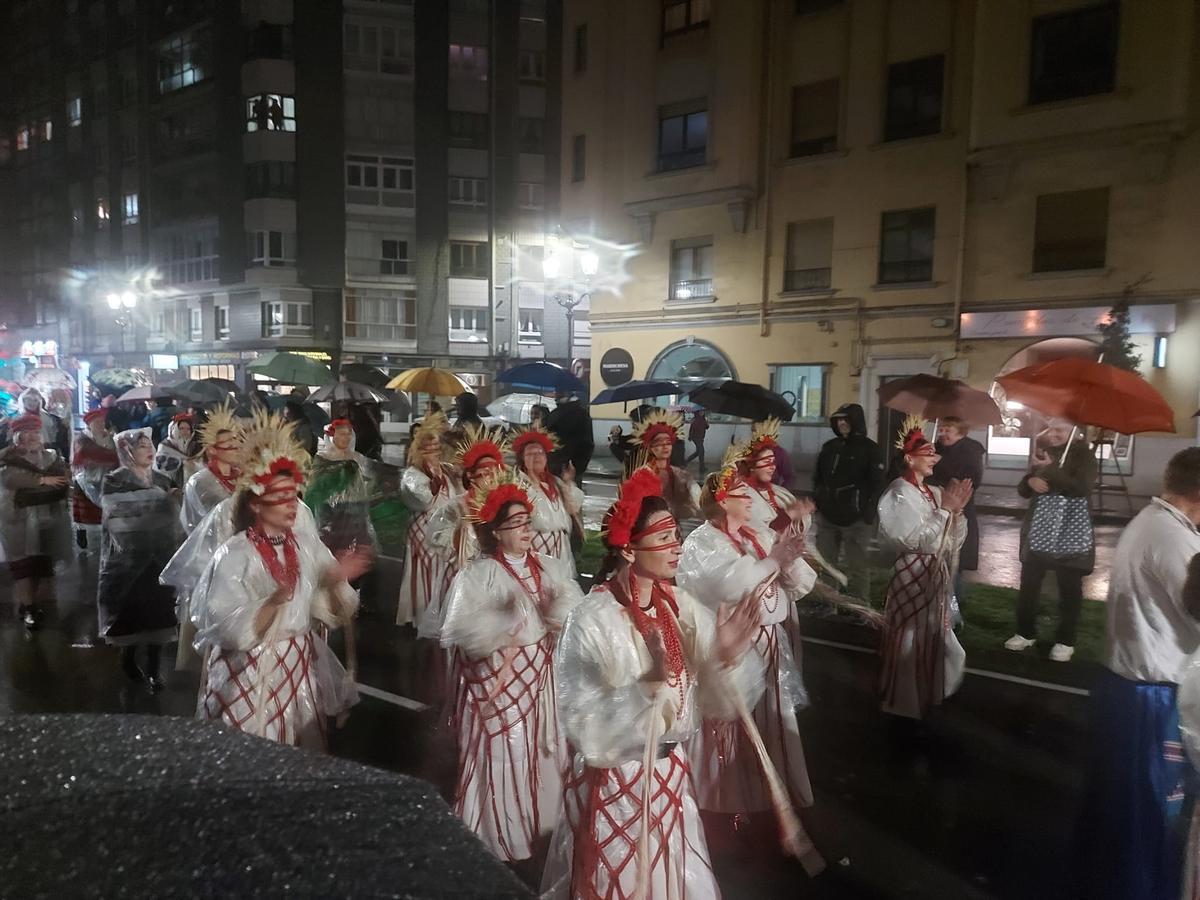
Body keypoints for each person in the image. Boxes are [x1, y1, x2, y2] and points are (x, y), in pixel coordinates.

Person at [541, 467, 780, 899]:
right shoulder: (592, 619)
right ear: (630, 550)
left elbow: (715, 696)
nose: (677, 547)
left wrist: (725, 658)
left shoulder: (678, 605)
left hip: (670, 777)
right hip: (616, 784)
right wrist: (645, 687)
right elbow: (581, 721)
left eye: (676, 534)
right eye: (665, 537)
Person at [190, 412, 368, 747]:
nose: (292, 507)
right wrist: (270, 604)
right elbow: (220, 614)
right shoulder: (234, 548)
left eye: (293, 496)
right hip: (248, 668)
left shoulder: (301, 538)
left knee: (296, 747)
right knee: (252, 747)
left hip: (295, 665)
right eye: (281, 498)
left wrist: (333, 583)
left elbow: (325, 588)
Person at [439, 471, 584, 863]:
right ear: (496, 531)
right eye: (516, 523)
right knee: (507, 754)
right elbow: (461, 634)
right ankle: (498, 836)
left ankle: (543, 828)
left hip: (544, 680)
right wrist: (504, 621)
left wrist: (556, 614)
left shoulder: (550, 567)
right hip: (499, 685)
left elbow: (575, 613)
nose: (526, 529)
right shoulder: (478, 574)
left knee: (547, 751)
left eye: (527, 521)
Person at [1077, 448, 1200, 900]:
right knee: (1152, 816)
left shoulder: (1154, 523)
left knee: (1124, 812)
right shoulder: (1175, 540)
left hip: (1129, 688)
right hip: (1154, 695)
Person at [678, 452, 819, 836]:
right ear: (723, 501)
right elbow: (732, 584)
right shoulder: (702, 542)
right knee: (732, 725)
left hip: (771, 642)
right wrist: (774, 562)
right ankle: (728, 802)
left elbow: (799, 579)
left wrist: (787, 565)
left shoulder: (757, 534)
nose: (749, 500)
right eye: (741, 493)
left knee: (772, 717)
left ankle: (772, 795)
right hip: (734, 647)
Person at [876, 416, 972, 719]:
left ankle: (930, 690)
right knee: (910, 637)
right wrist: (945, 512)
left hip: (934, 573)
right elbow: (912, 540)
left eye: (934, 453)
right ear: (909, 458)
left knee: (936, 635)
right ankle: (904, 702)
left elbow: (948, 541)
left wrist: (957, 514)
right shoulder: (898, 492)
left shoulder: (931, 491)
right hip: (912, 574)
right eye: (928, 453)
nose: (934, 458)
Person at [1004, 419, 1097, 662]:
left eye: (1060, 430)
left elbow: (1082, 488)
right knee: (1029, 584)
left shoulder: (1085, 456)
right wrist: (1030, 481)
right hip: (1039, 529)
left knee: (1069, 588)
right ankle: (1025, 632)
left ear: (1076, 433)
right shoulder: (1044, 451)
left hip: (1070, 530)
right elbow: (1025, 488)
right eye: (1052, 428)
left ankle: (1065, 640)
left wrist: (1051, 469)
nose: (1053, 434)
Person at [97, 428, 181, 692]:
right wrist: (162, 504)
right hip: (127, 562)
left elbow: (172, 518)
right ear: (126, 451)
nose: (149, 449)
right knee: (132, 613)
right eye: (141, 445)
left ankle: (155, 669)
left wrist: (173, 504)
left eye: (150, 444)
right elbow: (119, 517)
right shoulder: (114, 480)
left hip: (160, 557)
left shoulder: (162, 479)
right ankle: (128, 657)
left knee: (160, 614)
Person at [418, 423, 508, 642]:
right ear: (472, 477)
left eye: (495, 472)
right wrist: (461, 532)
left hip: (497, 579)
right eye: (484, 473)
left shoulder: (506, 506)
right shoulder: (455, 506)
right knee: (461, 636)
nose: (491, 477)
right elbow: (437, 539)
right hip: (461, 578)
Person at [0, 415, 71, 629]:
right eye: (27, 432)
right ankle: (29, 607)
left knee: (40, 565)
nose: (32, 436)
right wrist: (41, 480)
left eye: (36, 432)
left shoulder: (50, 456)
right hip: (18, 519)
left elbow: (62, 478)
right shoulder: (8, 458)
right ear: (18, 436)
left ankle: (28, 603)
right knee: (23, 566)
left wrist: (57, 481)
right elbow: (10, 479)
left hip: (47, 518)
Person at [812, 402, 884, 600]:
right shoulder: (830, 447)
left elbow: (877, 484)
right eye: (839, 419)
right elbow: (818, 477)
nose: (842, 423)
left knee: (858, 566)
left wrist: (868, 514)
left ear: (856, 421)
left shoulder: (870, 449)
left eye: (846, 419)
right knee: (826, 563)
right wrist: (818, 500)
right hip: (828, 516)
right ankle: (827, 602)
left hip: (856, 519)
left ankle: (859, 607)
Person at [396, 411, 458, 627]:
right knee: (426, 574)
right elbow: (422, 499)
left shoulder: (447, 471)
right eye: (428, 450)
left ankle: (441, 613)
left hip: (448, 531)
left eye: (436, 449)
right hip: (424, 531)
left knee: (443, 572)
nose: (434, 453)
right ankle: (423, 617)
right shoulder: (411, 474)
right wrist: (433, 480)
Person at [928, 417, 985, 616]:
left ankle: (952, 611)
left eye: (948, 430)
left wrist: (941, 464)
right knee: (934, 558)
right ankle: (934, 604)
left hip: (958, 512)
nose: (943, 433)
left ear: (961, 432)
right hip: (933, 509)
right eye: (941, 429)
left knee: (954, 561)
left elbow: (968, 480)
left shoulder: (971, 450)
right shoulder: (934, 448)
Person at [512, 424, 583, 575]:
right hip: (536, 546)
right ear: (522, 459)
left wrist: (569, 482)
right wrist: (532, 480)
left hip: (561, 548)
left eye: (540, 453)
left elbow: (573, 508)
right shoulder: (517, 484)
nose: (536, 457)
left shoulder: (556, 483)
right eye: (530, 454)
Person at [305, 418, 377, 559]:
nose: (346, 437)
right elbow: (317, 487)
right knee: (334, 552)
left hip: (356, 512)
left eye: (348, 434)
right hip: (332, 514)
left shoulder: (358, 458)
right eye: (342, 434)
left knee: (356, 553)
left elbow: (370, 483)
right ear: (333, 436)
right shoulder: (323, 458)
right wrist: (340, 473)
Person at [180, 405, 243, 535]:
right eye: (230, 446)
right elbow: (195, 523)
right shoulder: (200, 482)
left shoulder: (244, 476)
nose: (237, 448)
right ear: (212, 450)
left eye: (237, 444)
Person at [631, 408, 699, 525]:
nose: (665, 447)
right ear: (650, 447)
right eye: (659, 443)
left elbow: (697, 505)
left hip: (673, 530)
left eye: (668, 443)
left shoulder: (680, 475)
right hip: (651, 529)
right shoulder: (642, 474)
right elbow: (633, 508)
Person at [71, 408, 119, 556]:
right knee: (83, 511)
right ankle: (81, 532)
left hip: (106, 478)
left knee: (106, 509)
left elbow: (117, 453)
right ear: (89, 424)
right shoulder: (82, 439)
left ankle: (109, 536)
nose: (100, 425)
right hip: (86, 479)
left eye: (102, 422)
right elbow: (85, 455)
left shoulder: (110, 437)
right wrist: (108, 455)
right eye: (97, 422)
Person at [545, 393, 594, 483]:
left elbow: (587, 445)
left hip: (568, 466)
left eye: (559, 393)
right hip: (554, 465)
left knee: (569, 494)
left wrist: (577, 468)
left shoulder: (581, 415)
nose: (556, 397)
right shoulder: (555, 413)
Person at [154, 413, 201, 490]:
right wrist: (184, 463)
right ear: (174, 429)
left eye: (188, 429)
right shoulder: (165, 446)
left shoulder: (195, 446)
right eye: (181, 428)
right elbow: (161, 467)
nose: (185, 431)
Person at [685, 409, 709, 474]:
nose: (702, 413)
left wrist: (707, 422)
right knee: (701, 452)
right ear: (698, 412)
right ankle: (702, 468)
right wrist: (690, 436)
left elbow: (707, 427)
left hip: (700, 438)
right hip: (696, 438)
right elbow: (692, 428)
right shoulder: (695, 419)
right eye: (700, 412)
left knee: (698, 452)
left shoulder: (704, 419)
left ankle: (685, 462)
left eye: (703, 411)